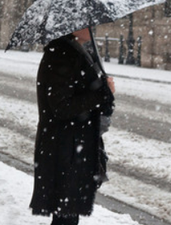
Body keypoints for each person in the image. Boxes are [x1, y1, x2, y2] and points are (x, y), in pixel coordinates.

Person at [30, 27, 115, 225]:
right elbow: (61, 106)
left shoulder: (76, 52)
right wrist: (102, 93)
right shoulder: (62, 55)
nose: (93, 28)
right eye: (87, 23)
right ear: (73, 26)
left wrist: (104, 91)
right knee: (65, 217)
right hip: (64, 147)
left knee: (68, 214)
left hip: (71, 146)